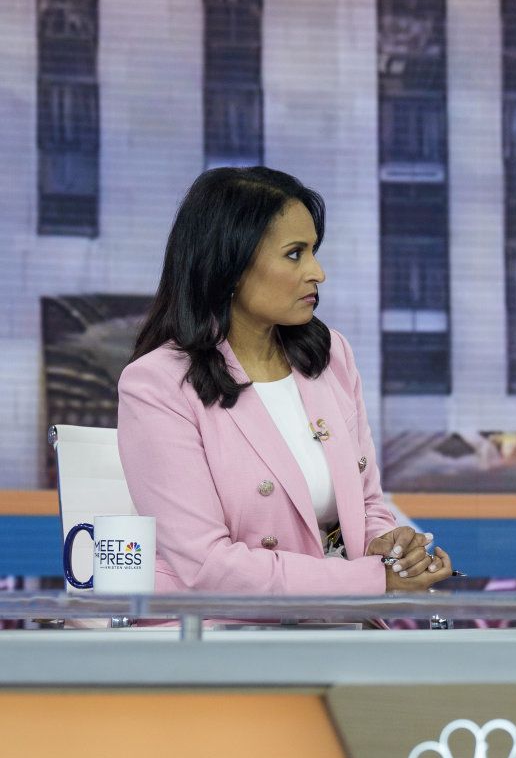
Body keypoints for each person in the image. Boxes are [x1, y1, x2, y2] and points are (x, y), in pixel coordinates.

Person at [118, 166, 454, 595]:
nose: (317, 272)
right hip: (218, 627)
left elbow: (367, 504)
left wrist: (389, 548)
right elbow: (207, 567)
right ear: (230, 266)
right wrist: (371, 580)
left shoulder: (330, 355)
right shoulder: (156, 384)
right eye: (295, 254)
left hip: (328, 621)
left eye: (313, 251)